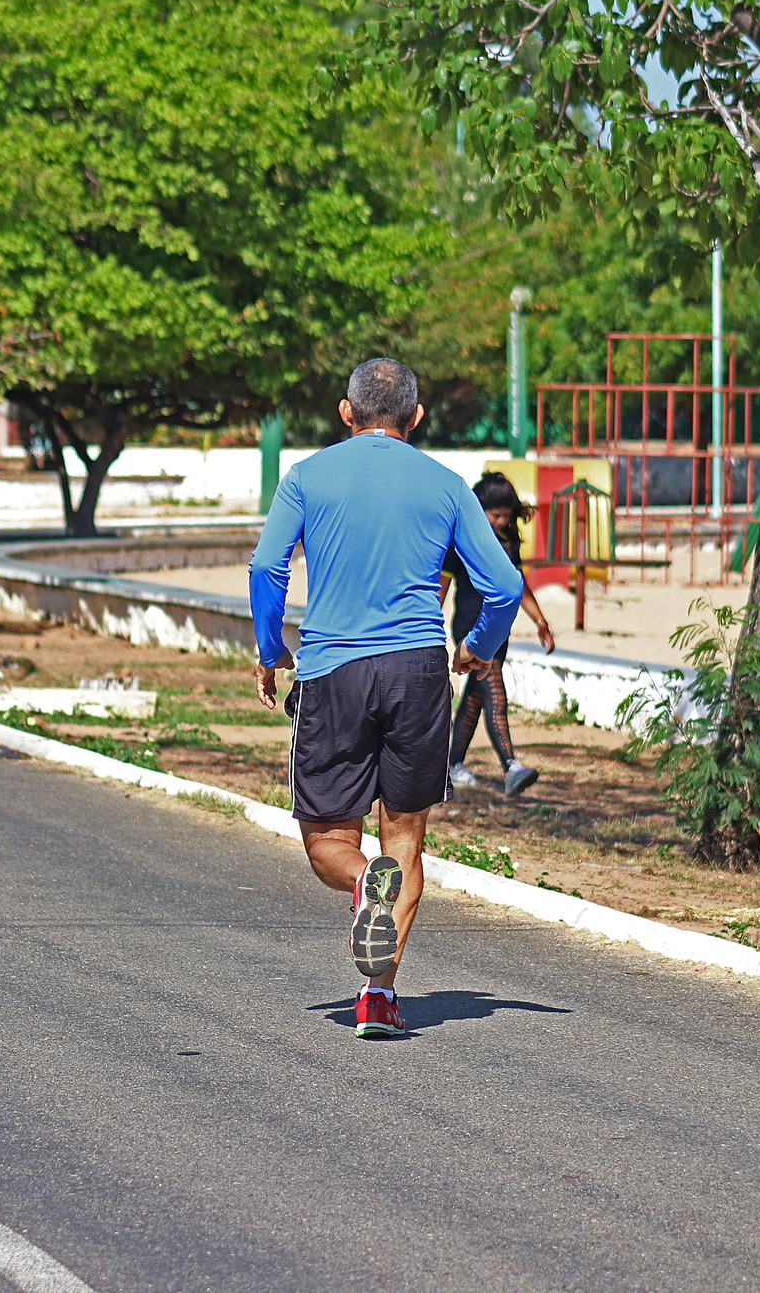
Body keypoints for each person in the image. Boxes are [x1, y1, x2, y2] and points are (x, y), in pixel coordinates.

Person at [250, 358, 522, 1039]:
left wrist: (268, 647)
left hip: (333, 671)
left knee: (328, 840)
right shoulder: (445, 484)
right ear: (417, 417)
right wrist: (480, 645)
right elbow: (505, 585)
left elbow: (266, 565)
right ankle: (378, 994)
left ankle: (362, 873)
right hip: (418, 671)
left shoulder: (308, 476)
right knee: (406, 838)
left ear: (347, 413)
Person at [442, 472, 555, 796]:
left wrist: (541, 622)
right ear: (480, 509)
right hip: (470, 629)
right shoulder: (460, 539)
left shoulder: (509, 541)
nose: (503, 521)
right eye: (496, 515)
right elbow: (442, 585)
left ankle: (452, 765)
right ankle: (510, 766)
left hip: (498, 631)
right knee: (494, 690)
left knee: (475, 698)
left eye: (507, 515)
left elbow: (517, 586)